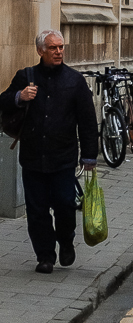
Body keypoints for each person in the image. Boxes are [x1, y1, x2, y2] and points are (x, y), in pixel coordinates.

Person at [0, 30, 98, 274]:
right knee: (37, 210)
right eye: (53, 48)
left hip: (63, 157)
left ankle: (66, 241)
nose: (58, 52)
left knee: (65, 204)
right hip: (33, 156)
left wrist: (89, 157)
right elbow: (2, 101)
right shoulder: (26, 76)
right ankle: (45, 255)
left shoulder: (74, 80)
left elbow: (87, 120)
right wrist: (18, 97)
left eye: (61, 47)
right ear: (40, 51)